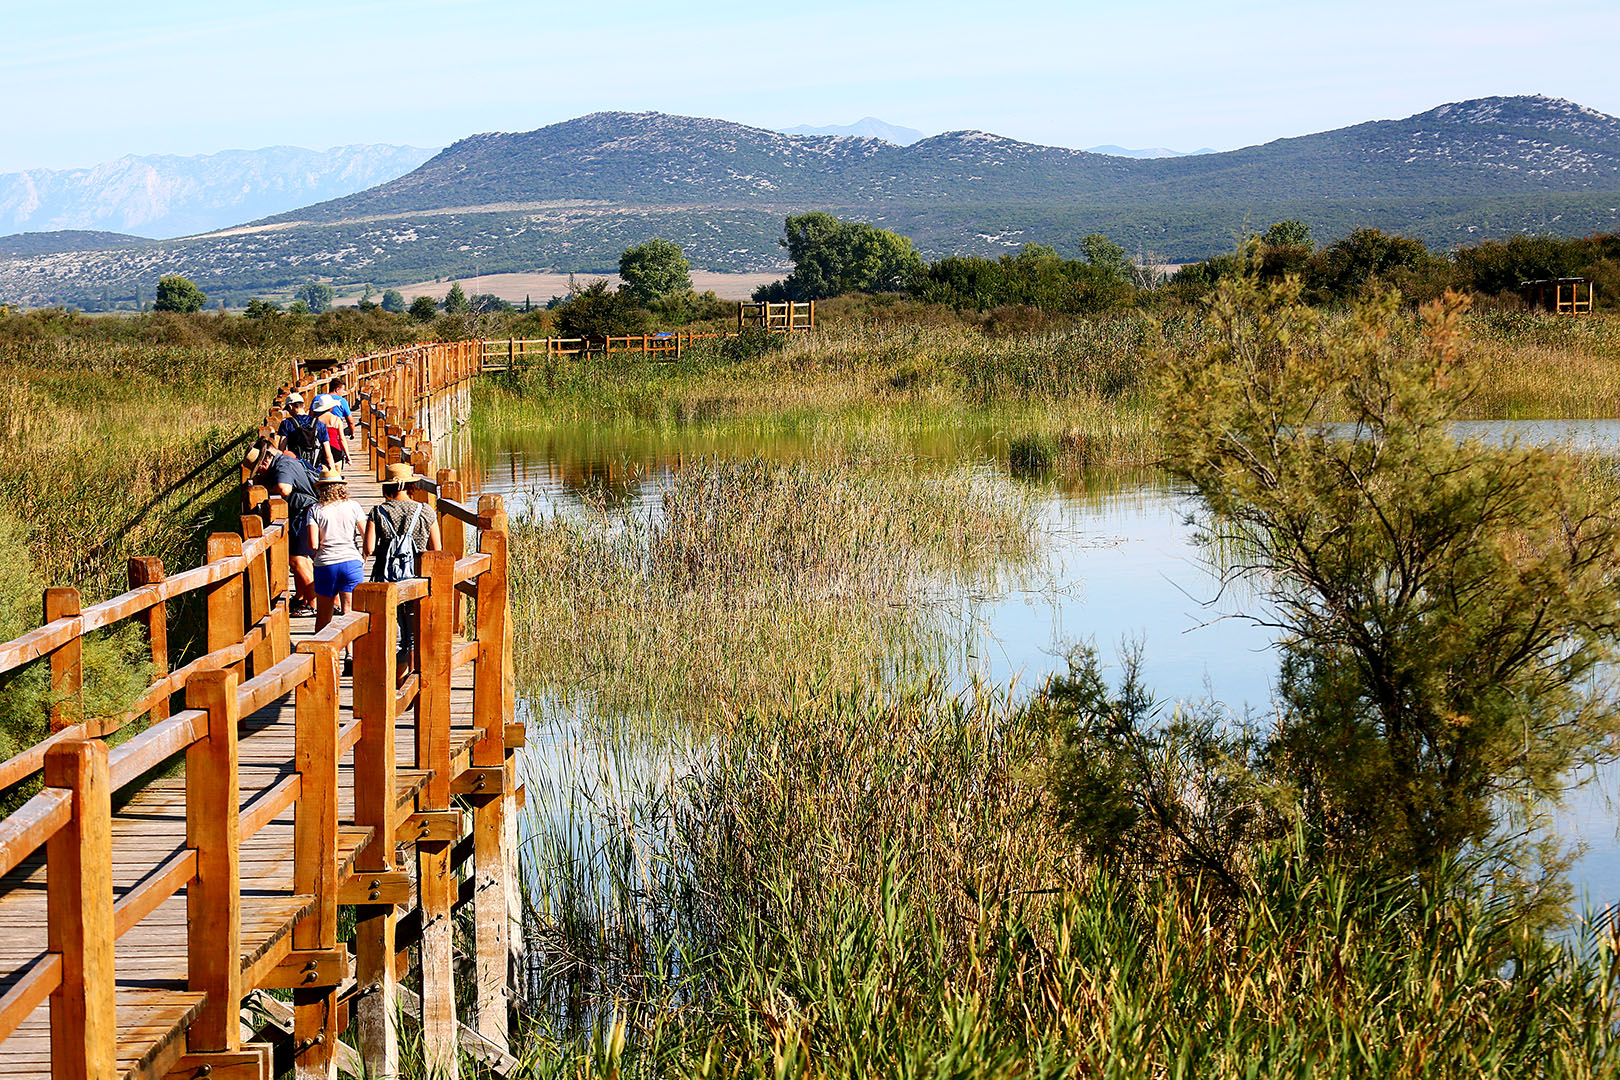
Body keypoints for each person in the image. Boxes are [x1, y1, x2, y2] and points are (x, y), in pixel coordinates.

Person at [364, 462, 442, 651]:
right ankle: (411, 678)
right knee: (415, 637)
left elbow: (369, 548)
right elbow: (437, 549)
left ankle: (397, 680)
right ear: (410, 486)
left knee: (396, 638)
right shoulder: (425, 511)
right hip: (417, 577)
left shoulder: (378, 511)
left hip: (387, 579)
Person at [248, 437, 320, 616]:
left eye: (260, 468)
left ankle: (314, 604)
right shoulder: (286, 460)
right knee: (302, 559)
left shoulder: (282, 465)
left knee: (297, 560)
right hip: (304, 513)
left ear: (266, 459)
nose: (261, 472)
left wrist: (266, 488)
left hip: (302, 514)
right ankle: (305, 598)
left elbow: (284, 489)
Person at [305, 467, 367, 631]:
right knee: (350, 612)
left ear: (320, 488)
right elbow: (366, 533)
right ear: (341, 487)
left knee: (324, 616)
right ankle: (350, 653)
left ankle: (322, 653)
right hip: (351, 562)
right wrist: (363, 556)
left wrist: (317, 555)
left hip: (326, 564)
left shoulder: (315, 510)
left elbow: (313, 544)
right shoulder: (354, 506)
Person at [276, 392, 333, 474]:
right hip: (316, 469)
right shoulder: (319, 424)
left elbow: (281, 449)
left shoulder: (286, 424)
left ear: (290, 406)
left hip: (296, 470)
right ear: (303, 405)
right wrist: (333, 472)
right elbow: (328, 453)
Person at [311, 394, 349, 465]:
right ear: (331, 407)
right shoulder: (337, 420)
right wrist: (347, 455)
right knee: (337, 474)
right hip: (336, 449)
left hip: (321, 450)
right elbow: (342, 439)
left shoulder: (316, 420)